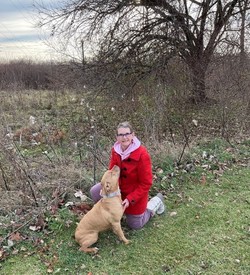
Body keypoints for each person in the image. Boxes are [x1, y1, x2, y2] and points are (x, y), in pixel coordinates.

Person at [90, 121, 165, 230]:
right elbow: (112, 172)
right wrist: (109, 189)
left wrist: (130, 199)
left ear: (133, 135)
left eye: (127, 134)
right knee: (95, 191)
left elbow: (146, 183)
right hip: (118, 189)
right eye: (120, 135)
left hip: (135, 193)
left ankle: (156, 202)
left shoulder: (142, 155)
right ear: (117, 137)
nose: (124, 137)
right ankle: (111, 215)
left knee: (135, 225)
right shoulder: (115, 150)